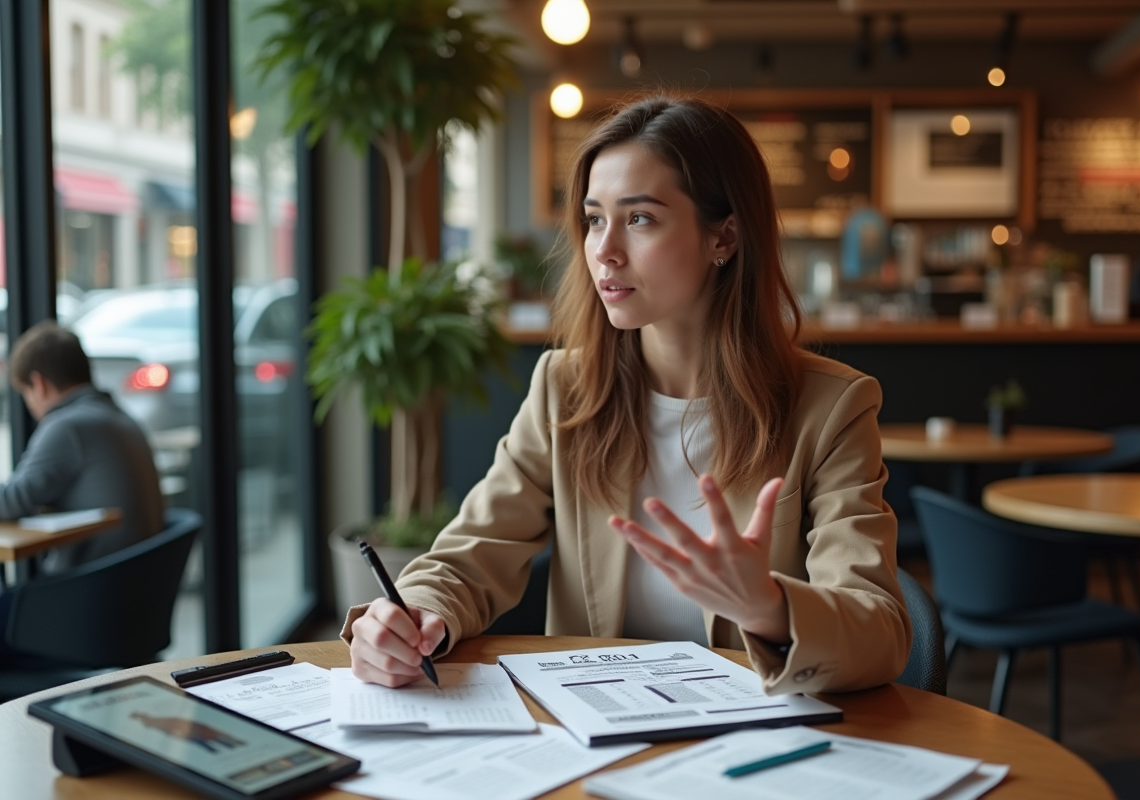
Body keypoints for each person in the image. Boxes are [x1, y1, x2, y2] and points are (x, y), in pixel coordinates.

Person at [345, 95, 911, 695]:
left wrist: (769, 607)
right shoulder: (564, 389)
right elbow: (472, 552)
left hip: (753, 744)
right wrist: (412, 615)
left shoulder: (831, 409)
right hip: (597, 737)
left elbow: (881, 630)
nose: (604, 250)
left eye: (639, 218)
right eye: (594, 219)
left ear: (725, 237)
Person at [0, 320, 164, 575]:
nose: (30, 407)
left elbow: (10, 502)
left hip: (89, 592)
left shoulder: (66, 427)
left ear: (39, 384)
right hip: (135, 591)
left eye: (25, 393)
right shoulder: (120, 417)